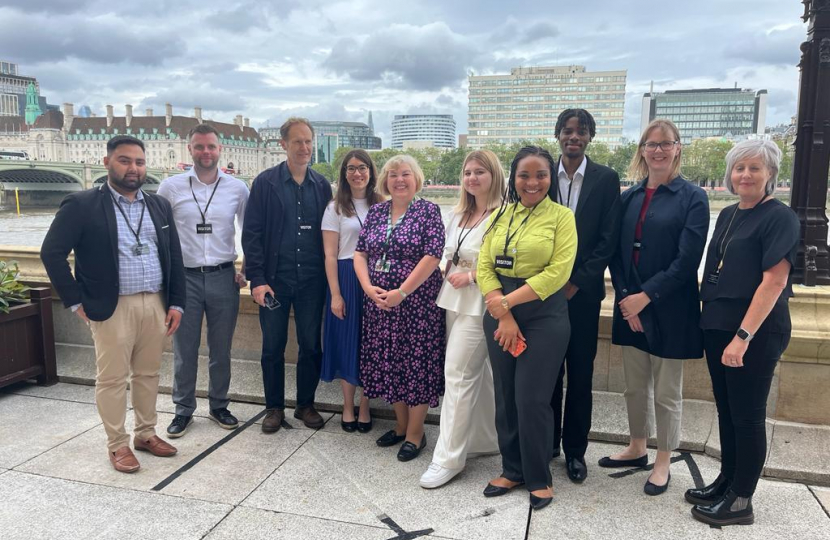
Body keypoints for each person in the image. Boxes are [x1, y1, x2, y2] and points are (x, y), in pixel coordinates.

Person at [41, 135, 186, 473]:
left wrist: (176, 302)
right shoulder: (81, 204)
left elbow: (173, 256)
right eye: (124, 160)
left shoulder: (158, 205)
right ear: (107, 162)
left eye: (138, 161)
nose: (133, 168)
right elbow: (51, 253)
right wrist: (75, 300)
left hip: (155, 303)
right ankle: (117, 443)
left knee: (149, 374)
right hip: (111, 307)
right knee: (112, 379)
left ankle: (146, 434)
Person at [688, 140, 799, 527]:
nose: (746, 175)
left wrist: (742, 336)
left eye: (755, 168)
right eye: (739, 168)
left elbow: (773, 282)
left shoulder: (779, 217)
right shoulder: (731, 214)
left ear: (770, 174)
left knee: (748, 417)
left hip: (753, 332)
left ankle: (742, 499)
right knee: (727, 411)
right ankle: (727, 481)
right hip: (718, 325)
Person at [601, 119, 709, 496]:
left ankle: (663, 457)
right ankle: (636, 446)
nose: (658, 150)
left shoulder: (693, 197)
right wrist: (628, 298)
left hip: (670, 308)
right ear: (642, 150)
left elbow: (687, 260)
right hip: (631, 305)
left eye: (666, 143)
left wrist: (645, 297)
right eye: (651, 144)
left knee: (666, 391)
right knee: (634, 387)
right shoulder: (628, 197)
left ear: (678, 148)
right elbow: (615, 251)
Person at [477, 146, 577, 510]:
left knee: (531, 399)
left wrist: (508, 304)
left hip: (544, 316)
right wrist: (502, 312)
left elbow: (558, 272)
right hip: (500, 313)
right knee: (505, 395)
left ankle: (538, 477)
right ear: (513, 179)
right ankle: (512, 469)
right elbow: (484, 266)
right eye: (524, 175)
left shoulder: (562, 217)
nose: (532, 182)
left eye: (540, 175)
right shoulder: (501, 215)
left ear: (551, 178)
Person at [157, 124, 249, 437]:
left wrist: (246, 269)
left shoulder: (237, 188)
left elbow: (249, 233)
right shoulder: (170, 187)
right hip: (185, 279)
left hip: (224, 276)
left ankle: (219, 405)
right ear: (190, 149)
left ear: (220, 150)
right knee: (184, 349)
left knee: (221, 349)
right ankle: (183, 410)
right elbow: (158, 234)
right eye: (199, 147)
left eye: (211, 147)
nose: (205, 152)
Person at [242, 117, 332, 432]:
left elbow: (330, 234)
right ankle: (274, 408)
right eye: (297, 141)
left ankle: (305, 405)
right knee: (272, 347)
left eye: (308, 141)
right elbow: (251, 234)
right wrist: (257, 279)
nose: (305, 147)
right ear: (283, 145)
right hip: (274, 282)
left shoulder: (321, 186)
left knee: (311, 345)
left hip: (311, 280)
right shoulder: (265, 183)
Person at [420, 150, 503, 489]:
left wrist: (471, 278)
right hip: (452, 299)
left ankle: (448, 459)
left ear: (493, 175)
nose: (472, 178)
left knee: (457, 373)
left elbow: (507, 262)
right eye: (467, 172)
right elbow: (448, 256)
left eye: (479, 172)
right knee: (476, 374)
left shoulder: (503, 216)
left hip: (481, 302)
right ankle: (484, 440)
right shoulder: (457, 214)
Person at [353, 155, 445, 462]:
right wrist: (368, 288)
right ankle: (402, 426)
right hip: (380, 304)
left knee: (416, 364)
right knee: (391, 362)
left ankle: (416, 434)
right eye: (393, 174)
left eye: (406, 174)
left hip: (417, 305)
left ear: (416, 179)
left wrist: (402, 292)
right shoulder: (377, 211)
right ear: (385, 181)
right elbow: (360, 254)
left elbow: (433, 256)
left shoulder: (428, 211)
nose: (399, 179)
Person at [548, 109, 621, 483]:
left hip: (583, 295)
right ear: (558, 135)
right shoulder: (541, 174)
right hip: (543, 295)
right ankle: (547, 444)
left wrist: (576, 281)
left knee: (580, 374)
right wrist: (548, 282)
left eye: (581, 132)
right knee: (545, 373)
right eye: (567, 131)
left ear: (591, 136)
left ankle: (575, 451)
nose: (573, 137)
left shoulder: (606, 179)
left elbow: (608, 240)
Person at [321, 149, 384, 433]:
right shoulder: (335, 207)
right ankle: (348, 405)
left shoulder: (383, 204)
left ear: (371, 172)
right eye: (350, 168)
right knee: (347, 342)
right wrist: (336, 294)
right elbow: (330, 255)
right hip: (346, 278)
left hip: (377, 278)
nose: (357, 173)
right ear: (344, 174)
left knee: (370, 344)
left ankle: (365, 405)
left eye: (362, 168)